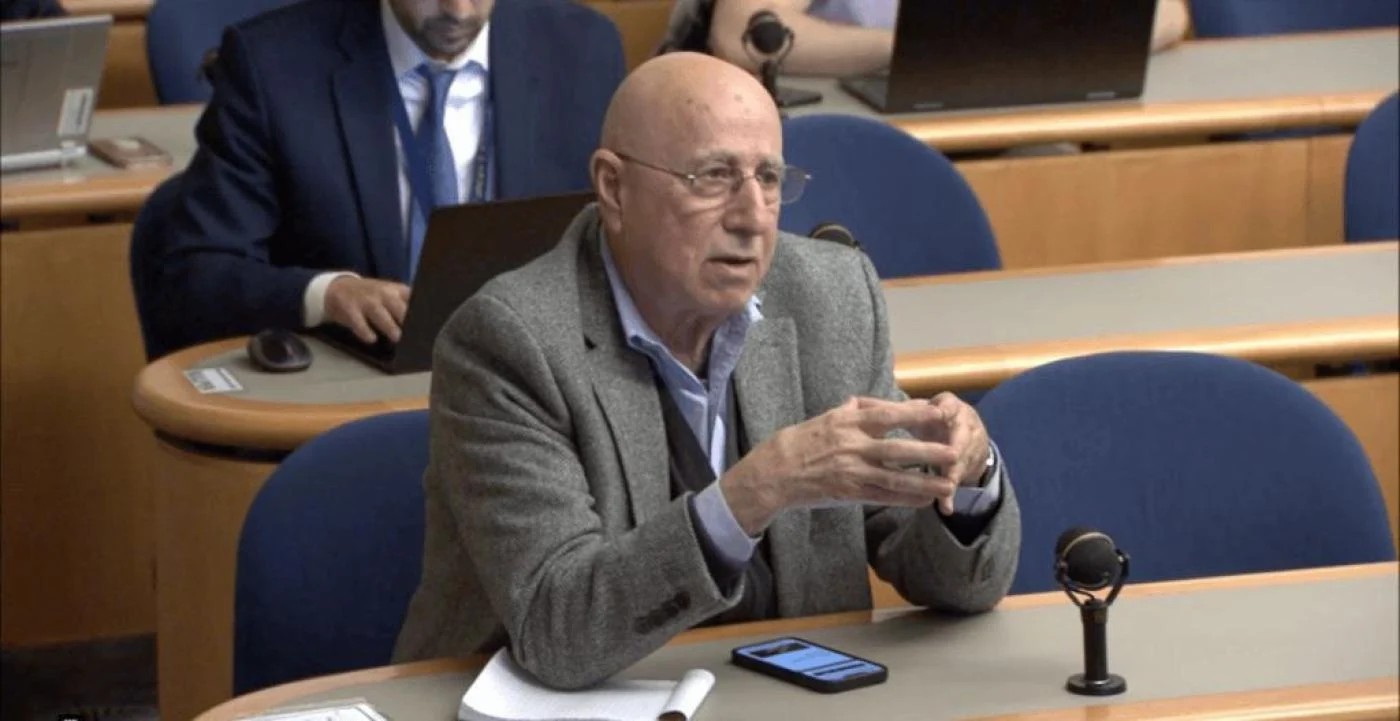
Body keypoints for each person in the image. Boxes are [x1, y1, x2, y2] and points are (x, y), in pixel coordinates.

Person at [394, 51, 1021, 689]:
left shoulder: (830, 297)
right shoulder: (509, 341)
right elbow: (558, 631)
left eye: (769, 178)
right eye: (713, 177)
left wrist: (968, 484)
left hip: (784, 697)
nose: (752, 218)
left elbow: (953, 581)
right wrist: (757, 490)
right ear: (614, 187)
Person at [149, 0, 623, 354]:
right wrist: (328, 295)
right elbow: (198, 271)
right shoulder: (272, 65)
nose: (458, 10)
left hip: (527, 384)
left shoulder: (582, 52)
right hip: (353, 388)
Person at [673, 0, 1189, 76]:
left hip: (991, 113)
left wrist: (1043, 44)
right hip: (848, 119)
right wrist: (927, 49)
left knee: (1053, 156)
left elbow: (1167, 15)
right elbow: (741, 34)